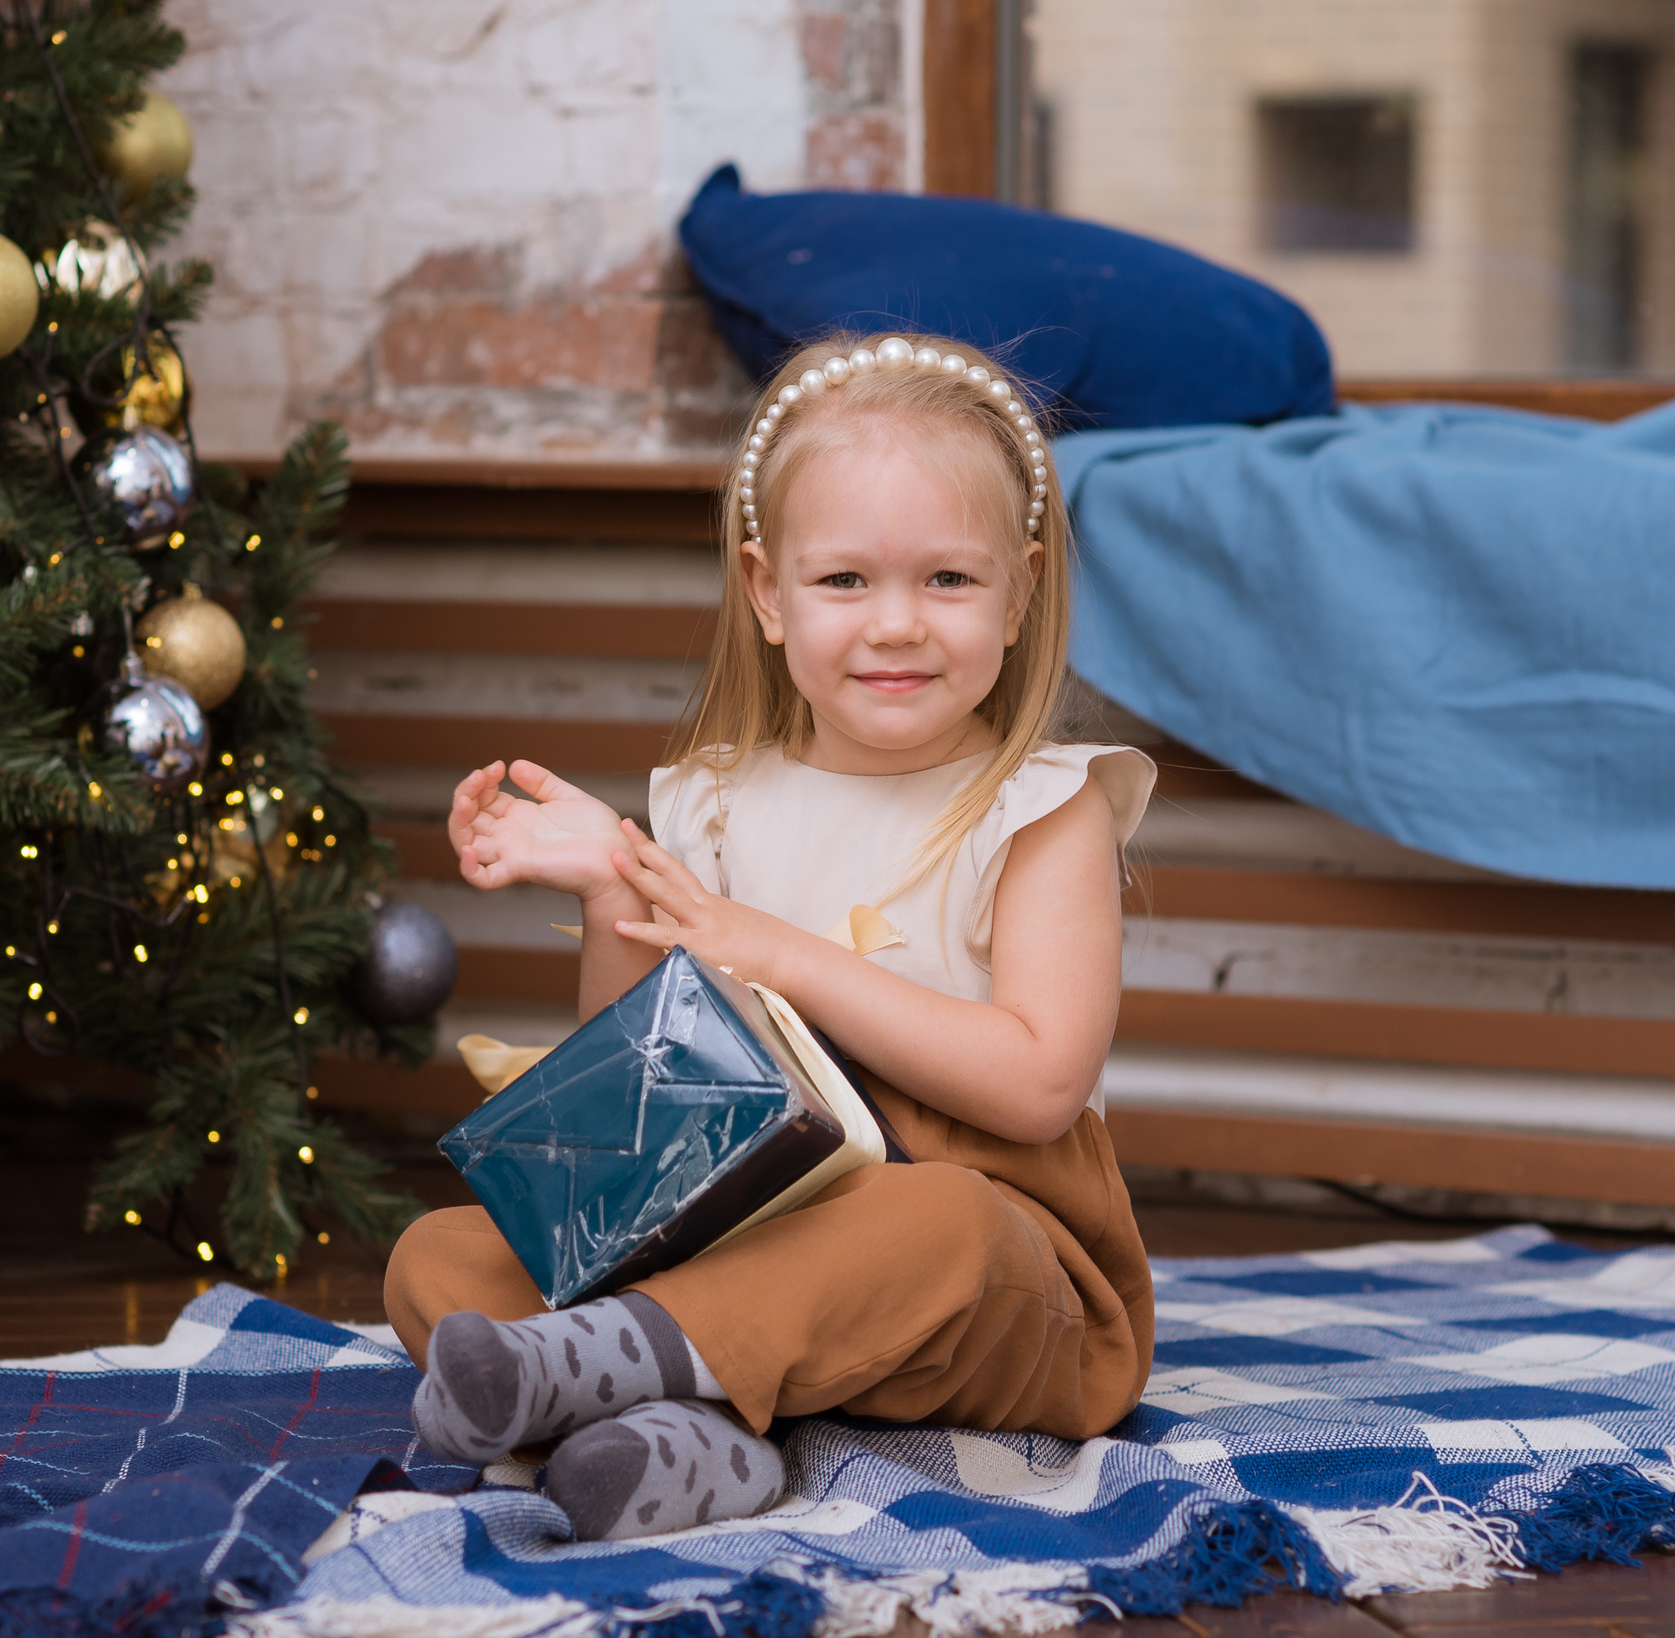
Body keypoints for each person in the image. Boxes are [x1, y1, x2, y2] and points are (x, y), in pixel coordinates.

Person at [384, 332, 1156, 1542]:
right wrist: (610, 889)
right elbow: (633, 1083)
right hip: (742, 1224)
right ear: (767, 592)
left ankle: (620, 1376)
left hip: (999, 1273)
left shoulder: (1043, 807)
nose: (895, 623)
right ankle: (696, 1439)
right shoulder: (713, 802)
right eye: (844, 580)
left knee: (936, 1220)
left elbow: (1041, 1084)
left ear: (1018, 589)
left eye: (947, 580)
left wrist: (782, 954)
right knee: (438, 1255)